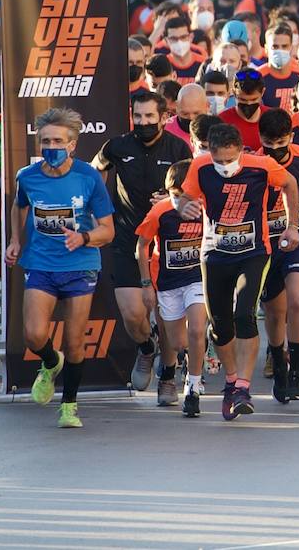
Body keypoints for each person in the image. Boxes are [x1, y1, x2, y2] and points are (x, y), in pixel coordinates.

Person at [178, 123, 299, 420]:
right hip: (215, 253)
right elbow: (184, 196)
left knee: (244, 313)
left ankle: (244, 387)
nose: (224, 167)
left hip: (254, 251)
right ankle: (231, 380)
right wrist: (184, 207)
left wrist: (292, 224)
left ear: (241, 151)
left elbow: (290, 184)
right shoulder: (200, 167)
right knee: (220, 326)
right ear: (210, 153)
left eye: (230, 161)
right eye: (218, 161)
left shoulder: (262, 165)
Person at [6, 109, 115, 429]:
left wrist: (83, 237)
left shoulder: (87, 176)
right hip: (41, 263)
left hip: (80, 265)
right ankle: (51, 363)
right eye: (44, 141)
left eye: (58, 141)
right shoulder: (27, 175)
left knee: (75, 341)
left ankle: (69, 406)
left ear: (72, 145)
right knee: (34, 334)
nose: (50, 146)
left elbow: (107, 230)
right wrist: (15, 240)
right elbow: (19, 205)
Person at [92, 89, 192, 393]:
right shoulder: (117, 146)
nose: (143, 122)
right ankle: (147, 350)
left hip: (167, 244)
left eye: (150, 116)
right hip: (127, 240)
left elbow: (192, 191)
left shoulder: (179, 147)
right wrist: (98, 210)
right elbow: (93, 172)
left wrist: (172, 199)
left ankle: (168, 377)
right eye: (138, 116)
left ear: (164, 116)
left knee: (167, 316)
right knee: (134, 315)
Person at [257, 109, 299, 404]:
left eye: (281, 141)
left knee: (297, 300)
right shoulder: (252, 163)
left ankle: (295, 371)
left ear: (291, 137)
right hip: (264, 241)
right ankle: (278, 364)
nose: (275, 149)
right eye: (269, 143)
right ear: (261, 139)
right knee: (274, 310)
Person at [134, 160, 207, 415]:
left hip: (198, 278)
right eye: (175, 196)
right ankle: (182, 360)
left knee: (198, 329)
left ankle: (193, 386)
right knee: (177, 342)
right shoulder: (161, 211)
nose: (181, 202)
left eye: (188, 195)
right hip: (166, 282)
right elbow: (141, 246)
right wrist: (145, 285)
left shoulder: (206, 208)